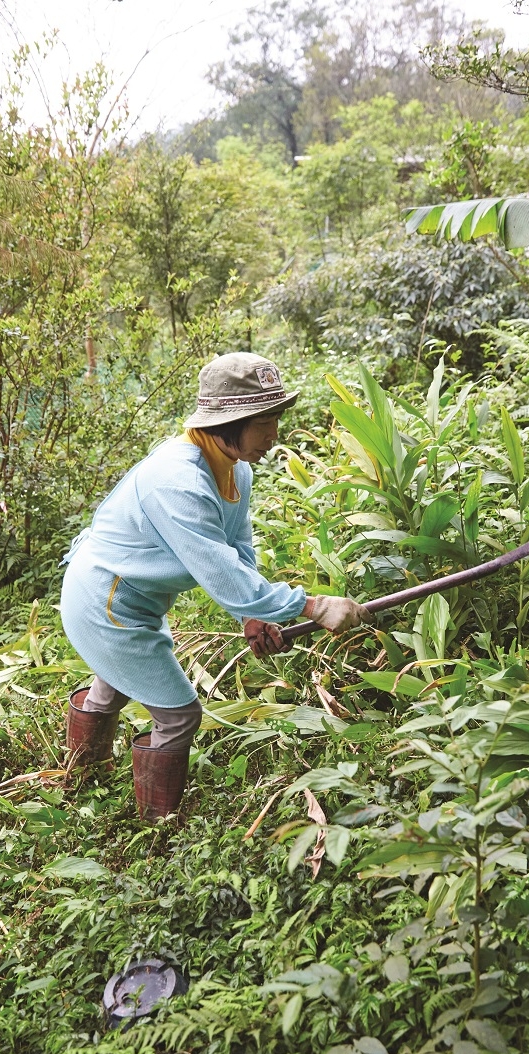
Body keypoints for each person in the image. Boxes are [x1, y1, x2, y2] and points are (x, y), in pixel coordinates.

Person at [60, 352, 371, 822]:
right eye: (263, 422)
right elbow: (219, 570)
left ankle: (82, 782)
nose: (274, 434)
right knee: (179, 715)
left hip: (133, 598)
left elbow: (237, 547)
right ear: (228, 423)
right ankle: (156, 827)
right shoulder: (177, 481)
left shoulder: (234, 467)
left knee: (116, 683)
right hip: (105, 601)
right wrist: (311, 606)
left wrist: (252, 614)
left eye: (276, 419)